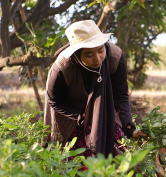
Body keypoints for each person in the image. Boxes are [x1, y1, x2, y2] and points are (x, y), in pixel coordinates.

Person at [43, 20, 146, 160]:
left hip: (103, 108)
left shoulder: (114, 57)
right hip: (71, 114)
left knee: (118, 159)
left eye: (100, 50)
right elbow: (54, 101)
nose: (98, 59)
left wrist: (130, 129)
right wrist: (80, 115)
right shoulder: (62, 68)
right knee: (76, 162)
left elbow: (120, 95)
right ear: (77, 55)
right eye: (89, 55)